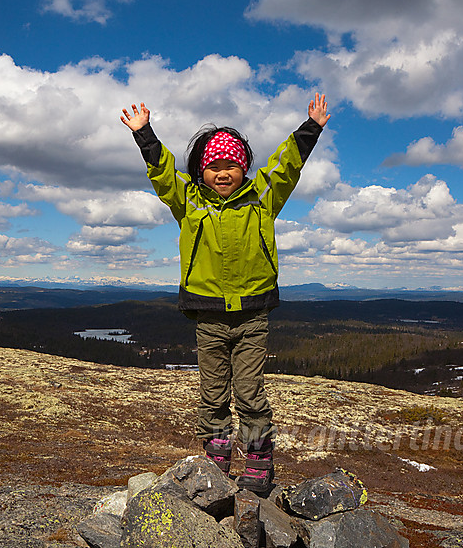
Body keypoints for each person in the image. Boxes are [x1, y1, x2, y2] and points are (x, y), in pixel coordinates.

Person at [120, 94, 331, 494]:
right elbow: (164, 174)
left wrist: (311, 129)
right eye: (213, 165)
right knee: (213, 393)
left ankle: (258, 458)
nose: (222, 172)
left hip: (252, 314)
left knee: (250, 391)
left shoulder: (262, 198)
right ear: (201, 171)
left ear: (244, 167)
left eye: (231, 164)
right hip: (209, 315)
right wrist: (144, 135)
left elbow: (286, 167)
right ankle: (217, 453)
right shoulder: (189, 202)